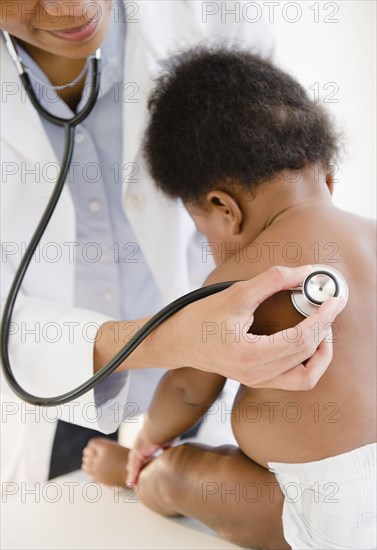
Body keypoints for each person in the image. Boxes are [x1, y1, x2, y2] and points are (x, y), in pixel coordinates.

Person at [1, 1, 343, 484]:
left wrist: (144, 449)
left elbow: (186, 385)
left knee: (173, 480)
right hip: (50, 385)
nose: (69, 7)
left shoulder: (209, 11)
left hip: (221, 432)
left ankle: (141, 472)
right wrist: (177, 340)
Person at [82, 49, 376, 550]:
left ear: (224, 209)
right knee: (231, 461)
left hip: (318, 515)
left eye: (202, 229)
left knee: (182, 470)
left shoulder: (241, 279)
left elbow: (186, 389)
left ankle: (134, 473)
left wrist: (148, 439)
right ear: (327, 175)